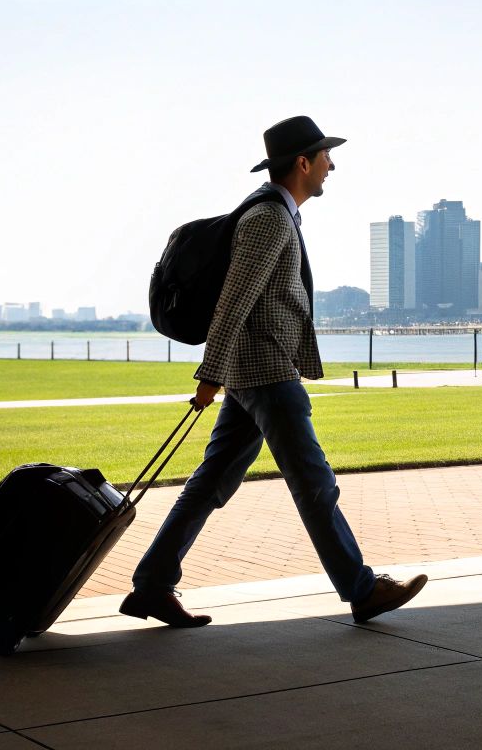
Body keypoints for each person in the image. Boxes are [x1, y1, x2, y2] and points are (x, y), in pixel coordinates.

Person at [122, 116, 427, 628]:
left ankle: (152, 585)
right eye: (326, 155)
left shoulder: (275, 215)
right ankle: (361, 589)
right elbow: (235, 301)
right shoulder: (267, 220)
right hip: (263, 372)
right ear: (303, 163)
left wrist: (222, 373)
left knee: (212, 481)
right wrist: (210, 372)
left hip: (252, 373)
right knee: (313, 482)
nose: (333, 164)